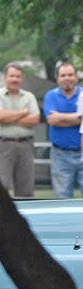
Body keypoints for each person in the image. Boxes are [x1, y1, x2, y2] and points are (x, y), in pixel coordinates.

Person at [0, 62, 40, 197]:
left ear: (22, 79)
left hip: (25, 145)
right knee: (1, 186)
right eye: (12, 76)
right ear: (5, 77)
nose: (15, 79)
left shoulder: (29, 97)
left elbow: (34, 119)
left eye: (18, 76)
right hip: (2, 144)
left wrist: (9, 117)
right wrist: (23, 113)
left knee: (26, 189)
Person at [43, 62, 83, 199]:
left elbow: (58, 119)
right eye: (63, 75)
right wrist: (79, 117)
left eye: (70, 75)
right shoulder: (50, 96)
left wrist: (60, 117)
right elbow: (52, 121)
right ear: (57, 78)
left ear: (76, 77)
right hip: (60, 155)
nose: (67, 78)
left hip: (82, 151)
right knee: (62, 197)